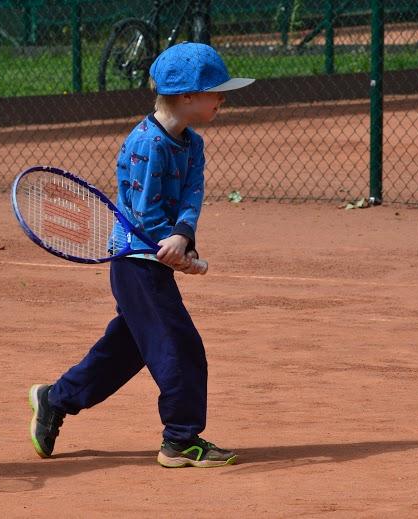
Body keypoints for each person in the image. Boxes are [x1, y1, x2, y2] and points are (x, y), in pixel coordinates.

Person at [29, 42, 255, 468]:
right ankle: (180, 440)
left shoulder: (192, 144)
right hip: (135, 262)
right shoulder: (146, 144)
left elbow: (191, 194)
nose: (223, 99)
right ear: (187, 96)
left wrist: (183, 237)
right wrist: (167, 244)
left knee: (127, 349)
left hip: (157, 255)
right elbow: (143, 209)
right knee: (180, 347)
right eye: (216, 92)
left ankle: (56, 399)